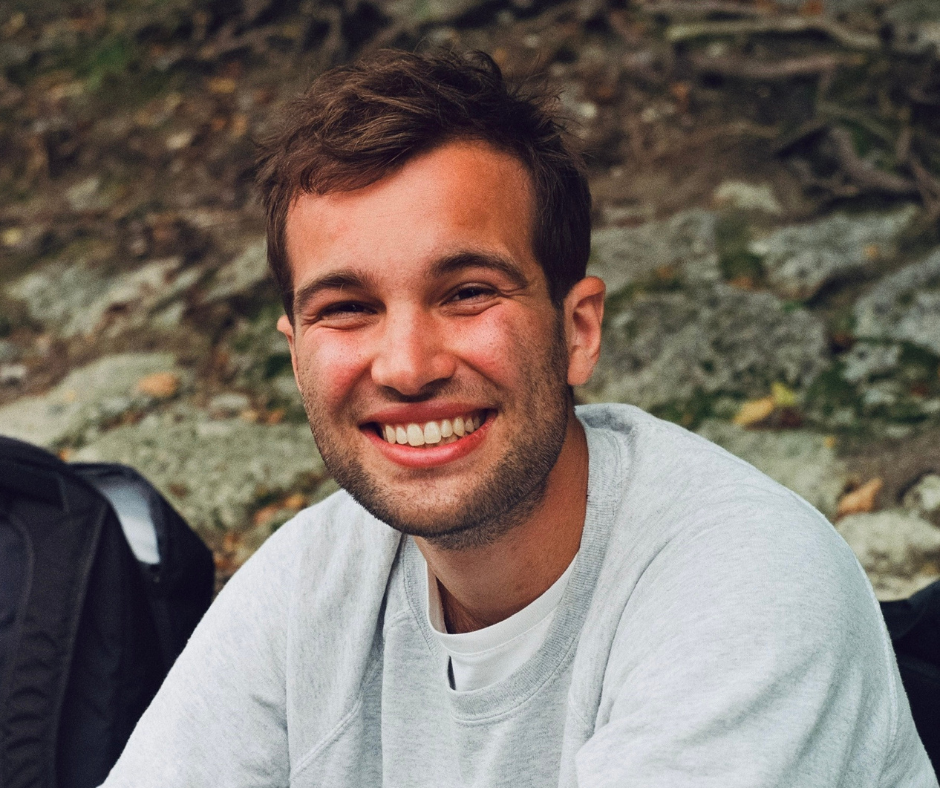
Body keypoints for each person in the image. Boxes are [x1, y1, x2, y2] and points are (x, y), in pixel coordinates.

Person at [102, 49, 937, 787]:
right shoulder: (305, 588)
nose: (407, 366)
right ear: (294, 354)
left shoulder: (747, 583)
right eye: (348, 307)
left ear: (577, 331)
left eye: (467, 293)